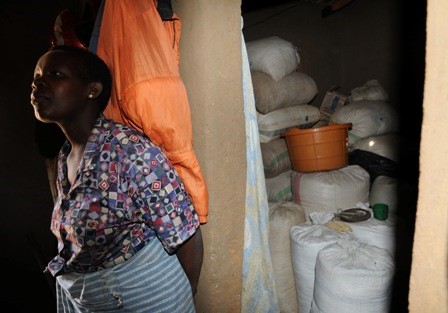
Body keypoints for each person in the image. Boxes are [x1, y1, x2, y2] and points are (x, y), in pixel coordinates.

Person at [30, 44, 203, 312]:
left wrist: (184, 297)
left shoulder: (129, 151)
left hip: (146, 295)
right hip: (88, 297)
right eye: (36, 76)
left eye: (55, 74)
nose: (38, 83)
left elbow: (186, 233)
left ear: (92, 89)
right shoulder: (66, 155)